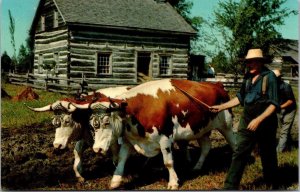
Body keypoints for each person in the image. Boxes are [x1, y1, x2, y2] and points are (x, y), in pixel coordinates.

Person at [209, 48, 279, 190]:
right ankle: (230, 187)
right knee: (239, 152)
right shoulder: (247, 77)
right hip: (247, 120)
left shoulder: (269, 77)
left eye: (252, 62)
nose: (249, 65)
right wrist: (221, 107)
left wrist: (258, 120)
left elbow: (274, 105)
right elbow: (240, 98)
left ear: (260, 62)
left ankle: (272, 184)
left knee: (268, 154)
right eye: (248, 62)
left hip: (266, 122)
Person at [273, 69, 297, 152]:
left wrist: (279, 107)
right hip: (279, 110)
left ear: (279, 77)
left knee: (284, 131)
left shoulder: (286, 86)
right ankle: (288, 147)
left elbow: (290, 101)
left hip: (290, 110)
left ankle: (279, 151)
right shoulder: (272, 87)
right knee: (283, 130)